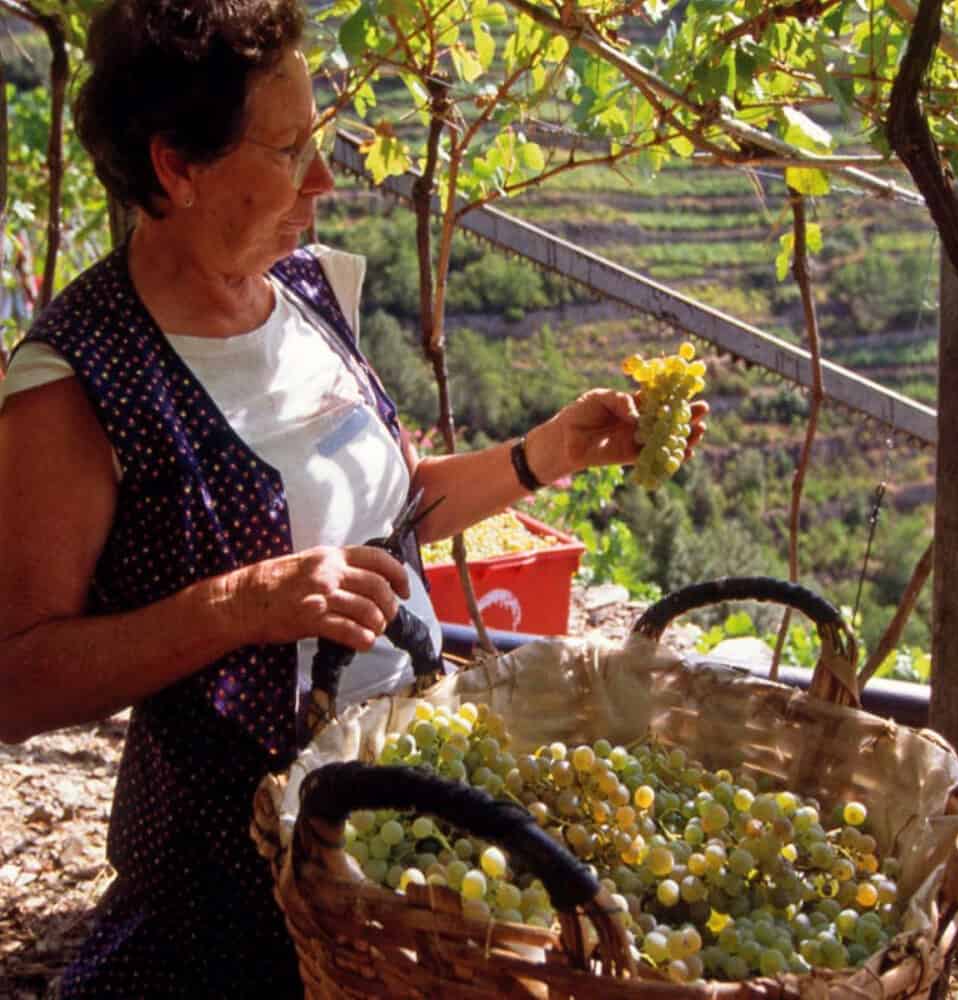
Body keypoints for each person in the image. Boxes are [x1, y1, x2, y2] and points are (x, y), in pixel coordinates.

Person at [0, 0, 708, 995]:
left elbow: (385, 512)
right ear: (177, 167)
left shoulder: (304, 290)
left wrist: (543, 456)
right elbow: (18, 680)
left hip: (396, 839)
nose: (324, 181)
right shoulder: (79, 381)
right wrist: (243, 605)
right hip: (235, 891)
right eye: (289, 150)